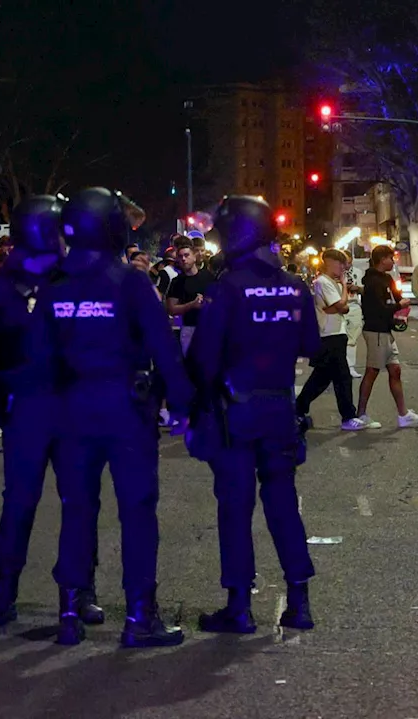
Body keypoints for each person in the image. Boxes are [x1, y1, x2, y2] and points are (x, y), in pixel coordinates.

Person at [35, 187, 192, 647]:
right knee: (138, 513)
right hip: (126, 410)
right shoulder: (130, 283)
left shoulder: (55, 288)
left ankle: (71, 608)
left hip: (70, 413)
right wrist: (184, 407)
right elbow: (165, 351)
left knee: (77, 510)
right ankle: (140, 616)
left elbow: (37, 360)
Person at [186, 195, 318, 634]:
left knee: (235, 507)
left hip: (235, 411)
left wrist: (194, 406)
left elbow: (204, 357)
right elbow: (312, 346)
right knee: (282, 504)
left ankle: (239, 606)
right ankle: (299, 601)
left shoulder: (227, 288)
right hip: (280, 405)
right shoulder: (295, 285)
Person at [0, 195, 105, 633]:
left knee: (81, 502)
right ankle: (4, 592)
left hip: (72, 407)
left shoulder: (79, 279)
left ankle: (80, 592)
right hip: (27, 407)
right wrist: (1, 383)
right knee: (19, 504)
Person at [356, 245, 418, 428]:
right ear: (382, 259)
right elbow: (378, 308)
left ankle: (403, 414)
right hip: (376, 331)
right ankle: (361, 414)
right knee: (372, 371)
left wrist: (398, 305)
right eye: (390, 258)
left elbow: (394, 298)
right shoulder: (372, 282)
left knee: (395, 370)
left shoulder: (386, 279)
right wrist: (397, 306)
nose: (393, 262)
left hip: (386, 331)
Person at [295, 248, 362, 431]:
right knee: (343, 378)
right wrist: (344, 287)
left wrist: (340, 305)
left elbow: (339, 308)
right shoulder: (324, 282)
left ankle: (297, 408)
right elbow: (340, 305)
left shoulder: (328, 282)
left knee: (321, 378)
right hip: (330, 334)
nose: (343, 267)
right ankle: (348, 417)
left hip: (334, 333)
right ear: (330, 262)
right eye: (340, 263)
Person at [165, 237, 216, 355]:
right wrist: (191, 305)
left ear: (194, 256)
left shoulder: (207, 277)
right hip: (189, 329)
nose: (183, 259)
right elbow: (171, 309)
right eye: (180, 256)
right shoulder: (177, 282)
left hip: (209, 327)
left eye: (186, 255)